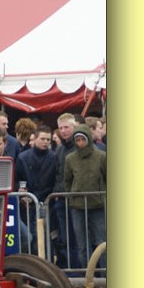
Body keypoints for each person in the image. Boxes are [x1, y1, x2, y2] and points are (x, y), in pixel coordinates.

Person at [64, 124, 107, 269]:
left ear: (88, 139)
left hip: (98, 205)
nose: (80, 143)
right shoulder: (70, 158)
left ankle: (104, 274)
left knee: (101, 242)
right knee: (82, 244)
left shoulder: (101, 156)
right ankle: (86, 274)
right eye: (77, 140)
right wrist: (71, 196)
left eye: (83, 139)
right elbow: (67, 180)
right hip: (77, 206)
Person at [15, 125, 56, 254]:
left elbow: (56, 181)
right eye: (43, 139)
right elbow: (17, 179)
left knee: (46, 237)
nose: (45, 142)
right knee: (31, 237)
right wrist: (22, 193)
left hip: (47, 202)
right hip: (27, 204)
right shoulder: (23, 157)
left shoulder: (54, 157)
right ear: (35, 138)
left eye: (48, 140)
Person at [51, 113, 80, 269]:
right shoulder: (60, 149)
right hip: (61, 198)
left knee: (77, 237)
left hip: (76, 199)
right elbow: (57, 174)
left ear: (74, 126)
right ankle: (70, 268)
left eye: (66, 127)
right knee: (65, 237)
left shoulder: (80, 147)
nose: (63, 131)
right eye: (60, 128)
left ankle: (78, 269)